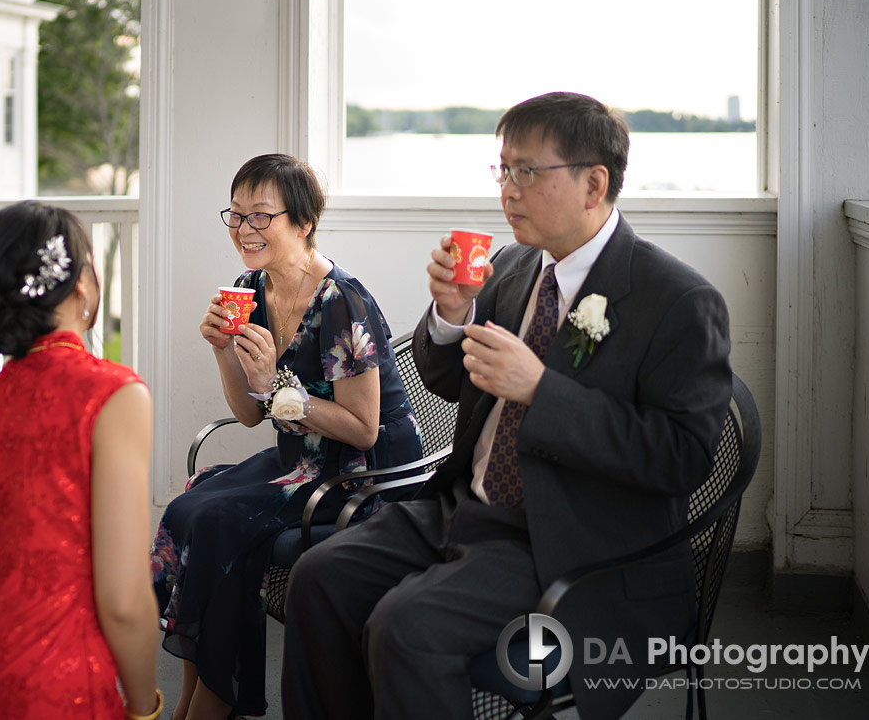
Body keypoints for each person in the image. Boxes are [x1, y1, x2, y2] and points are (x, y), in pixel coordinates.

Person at [282, 92, 733, 720]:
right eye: (503, 170)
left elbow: (682, 458)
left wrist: (542, 390)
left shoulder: (677, 300)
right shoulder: (512, 268)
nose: (508, 190)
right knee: (317, 578)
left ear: (593, 184)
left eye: (527, 171)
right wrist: (451, 314)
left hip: (569, 541)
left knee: (405, 628)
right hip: (462, 507)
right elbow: (444, 381)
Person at [152, 153, 424, 719]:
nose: (244, 230)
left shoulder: (342, 302)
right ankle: (190, 697)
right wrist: (223, 351)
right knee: (189, 506)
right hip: (300, 459)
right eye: (236, 215)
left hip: (364, 474)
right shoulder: (250, 287)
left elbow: (363, 428)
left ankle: (212, 704)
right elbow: (251, 416)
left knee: (221, 521)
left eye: (260, 217)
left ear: (302, 223)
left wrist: (274, 379)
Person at [0, 201, 162, 719]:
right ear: (84, 282)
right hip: (56, 688)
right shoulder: (113, 396)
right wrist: (144, 706)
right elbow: (124, 599)